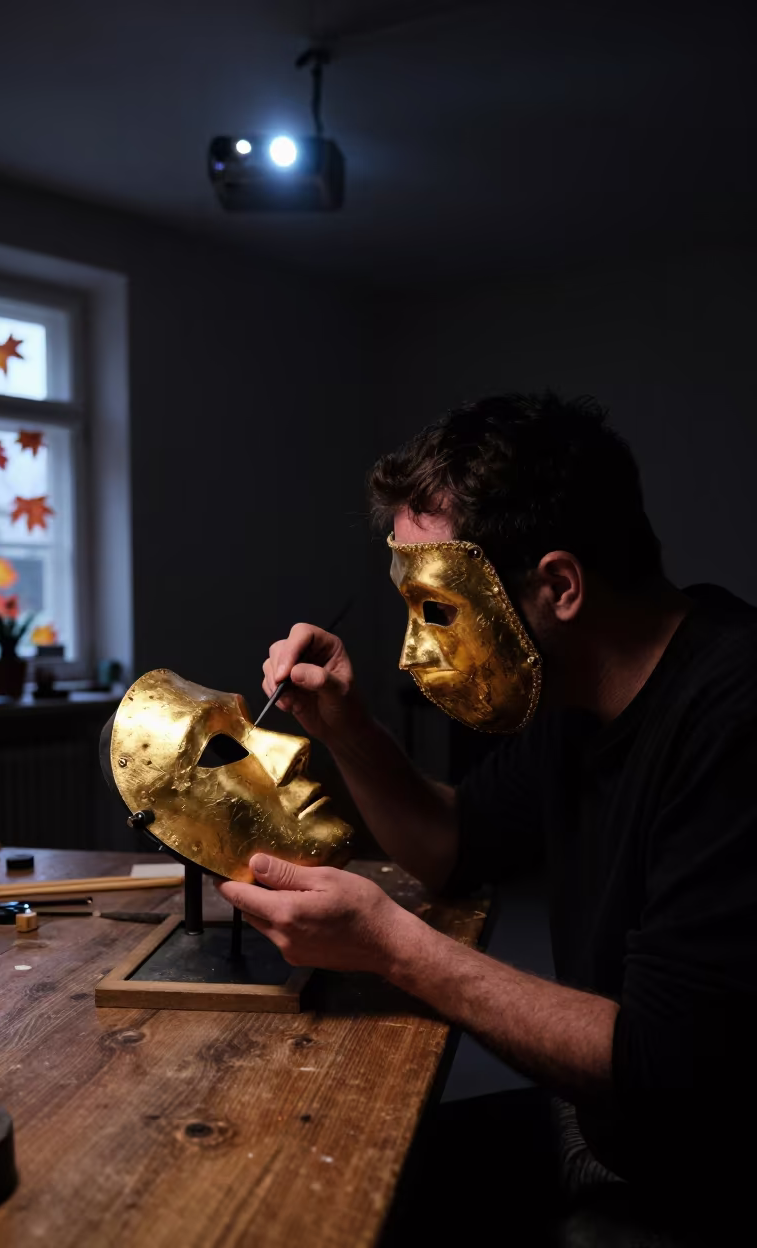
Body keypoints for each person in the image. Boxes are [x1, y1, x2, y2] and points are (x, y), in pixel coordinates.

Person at [216, 392, 757, 1242]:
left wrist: (391, 947)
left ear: (559, 586)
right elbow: (450, 845)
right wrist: (348, 729)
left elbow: (664, 1065)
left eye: (436, 610)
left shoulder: (733, 716)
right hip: (608, 1124)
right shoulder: (579, 695)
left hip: (699, 1178)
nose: (411, 650)